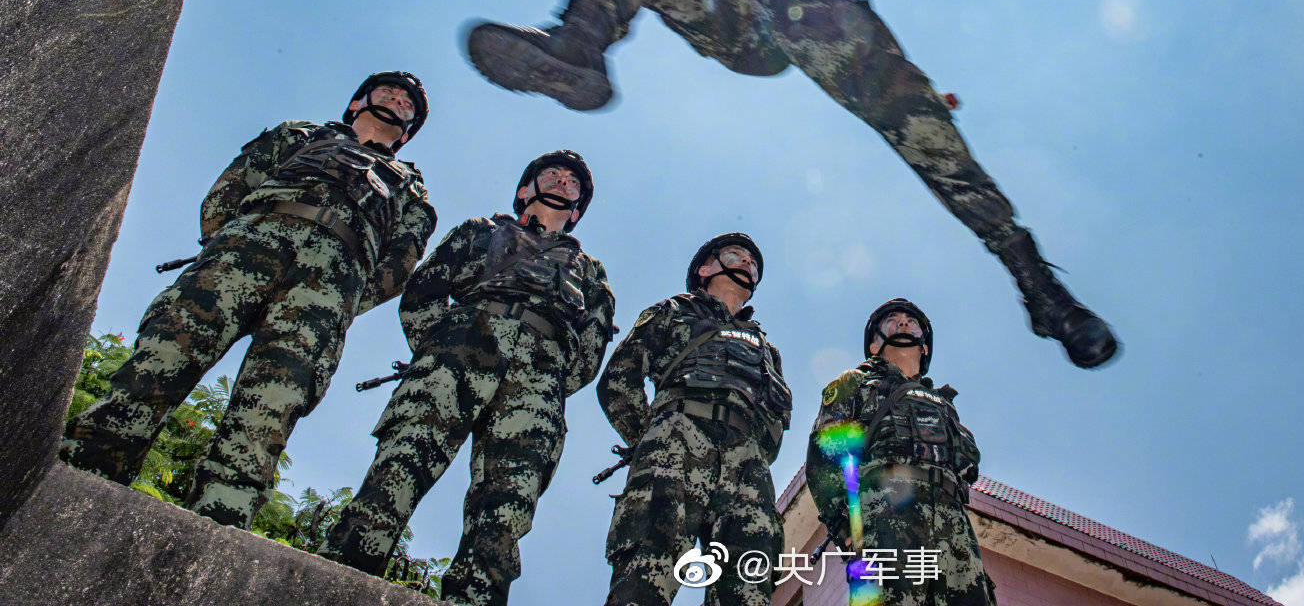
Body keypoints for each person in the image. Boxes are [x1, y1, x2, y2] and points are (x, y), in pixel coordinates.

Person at [465, 0, 1116, 369]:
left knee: (939, 152)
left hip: (825, 20)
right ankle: (578, 50)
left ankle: (1040, 288)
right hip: (745, 27)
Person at [61, 72, 436, 528]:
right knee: (158, 365)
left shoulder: (412, 189)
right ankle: (75, 481)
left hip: (327, 288)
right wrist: (230, 244)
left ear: (410, 128)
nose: (398, 100)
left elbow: (397, 266)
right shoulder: (298, 135)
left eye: (407, 103)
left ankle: (216, 528)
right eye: (388, 93)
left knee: (269, 412)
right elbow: (230, 189)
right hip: (246, 249)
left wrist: (343, 293)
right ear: (358, 102)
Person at [322, 150, 614, 606]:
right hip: (459, 352)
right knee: (398, 471)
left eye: (572, 182)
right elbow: (424, 293)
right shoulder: (480, 231)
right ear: (524, 190)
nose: (561, 181)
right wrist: (443, 348)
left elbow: (589, 352)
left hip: (537, 383)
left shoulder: (591, 272)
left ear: (577, 208)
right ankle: (333, 587)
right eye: (551, 174)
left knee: (504, 512)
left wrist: (549, 378)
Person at [596, 232, 791, 606]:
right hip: (676, 439)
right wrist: (653, 438)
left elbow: (776, 419)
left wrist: (750, 454)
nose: (747, 263)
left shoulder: (767, 349)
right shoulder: (674, 310)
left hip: (746, 462)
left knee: (749, 580)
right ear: (705, 269)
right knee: (647, 567)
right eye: (735, 255)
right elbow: (620, 379)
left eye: (753, 262)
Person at [807, 299, 995, 606]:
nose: (904, 323)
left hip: (951, 519)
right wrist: (845, 526)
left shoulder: (943, 405)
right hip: (883, 512)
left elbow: (966, 465)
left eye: (912, 321)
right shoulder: (855, 383)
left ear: (925, 348)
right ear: (873, 344)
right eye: (893, 320)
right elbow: (824, 456)